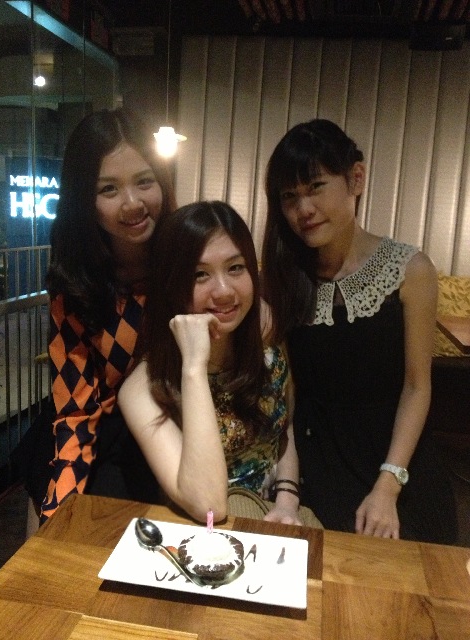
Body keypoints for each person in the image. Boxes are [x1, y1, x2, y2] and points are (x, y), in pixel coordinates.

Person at [261, 119, 457, 543]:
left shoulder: (410, 269)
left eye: (315, 186)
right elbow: (287, 393)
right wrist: (287, 490)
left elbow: (417, 386)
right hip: (317, 460)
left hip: (396, 457)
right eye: (289, 197)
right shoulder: (282, 276)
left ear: (356, 178)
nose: (303, 209)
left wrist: (388, 485)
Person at [119, 200, 316, 525]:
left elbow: (285, 430)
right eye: (200, 274)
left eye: (236, 267)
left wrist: (287, 501)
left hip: (277, 515)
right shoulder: (144, 388)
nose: (224, 291)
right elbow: (208, 505)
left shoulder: (267, 341)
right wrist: (194, 367)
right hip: (206, 531)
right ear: (171, 285)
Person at [34, 108, 177, 525]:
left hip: (180, 431)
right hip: (104, 441)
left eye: (144, 181)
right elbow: (76, 413)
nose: (133, 204)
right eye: (108, 189)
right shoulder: (75, 288)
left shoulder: (185, 264)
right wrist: (58, 522)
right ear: (84, 201)